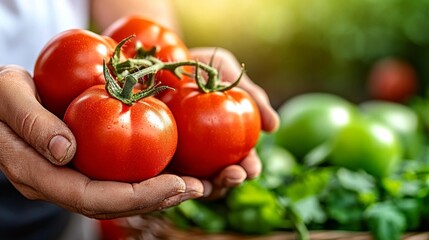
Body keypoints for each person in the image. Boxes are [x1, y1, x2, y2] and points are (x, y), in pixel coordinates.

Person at [0, 0, 279, 239]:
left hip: (57, 202)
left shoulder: (145, 107)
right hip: (48, 112)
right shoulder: (93, 82)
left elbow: (145, 29)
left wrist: (160, 47)